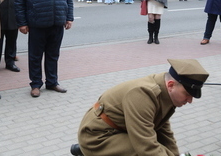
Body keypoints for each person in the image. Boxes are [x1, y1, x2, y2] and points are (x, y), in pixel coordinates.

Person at [71, 59, 209, 156]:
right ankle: (88, 151)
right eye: (187, 94)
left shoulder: (165, 91)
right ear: (171, 85)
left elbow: (163, 131)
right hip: (97, 136)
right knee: (142, 153)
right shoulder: (144, 94)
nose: (190, 100)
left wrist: (175, 154)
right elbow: (146, 146)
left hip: (119, 130)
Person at [15, 0, 74, 98]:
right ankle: (35, 84)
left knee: (53, 54)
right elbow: (19, 0)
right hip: (36, 23)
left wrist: (69, 17)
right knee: (35, 56)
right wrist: (22, 22)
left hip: (57, 22)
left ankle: (52, 82)